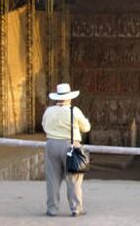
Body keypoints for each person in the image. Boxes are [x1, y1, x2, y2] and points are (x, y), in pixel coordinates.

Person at [42, 83, 91, 217]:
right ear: (69, 97)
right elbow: (86, 128)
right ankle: (76, 208)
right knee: (73, 179)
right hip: (70, 146)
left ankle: (52, 209)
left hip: (51, 144)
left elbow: (44, 125)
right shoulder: (73, 111)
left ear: (57, 97)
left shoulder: (48, 111)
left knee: (52, 179)